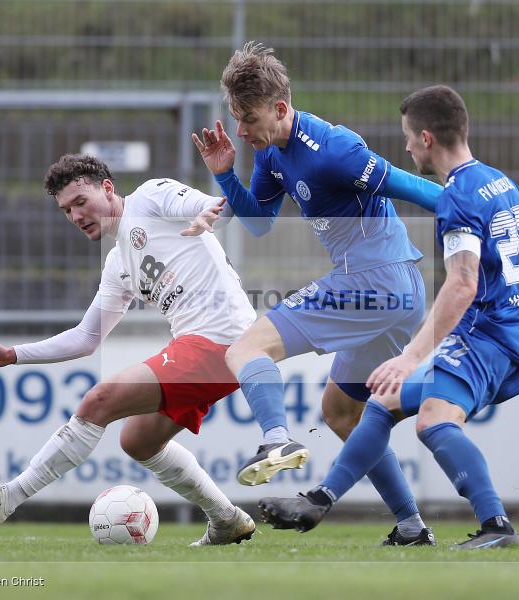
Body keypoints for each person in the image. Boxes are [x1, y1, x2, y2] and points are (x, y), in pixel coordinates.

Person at [258, 85, 519, 549]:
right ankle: (323, 500)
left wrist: (412, 356)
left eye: (407, 137)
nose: (404, 147)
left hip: (484, 340)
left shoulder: (459, 196)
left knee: (432, 421)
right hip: (506, 339)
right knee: (382, 404)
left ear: (426, 138)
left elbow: (463, 282)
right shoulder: (500, 183)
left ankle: (497, 527)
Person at [192, 42, 445, 546]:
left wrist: (510, 219)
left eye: (248, 118)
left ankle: (277, 441)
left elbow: (420, 190)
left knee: (245, 348)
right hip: (394, 291)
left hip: (374, 280)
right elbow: (260, 225)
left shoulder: (333, 148)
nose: (240, 130)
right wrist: (224, 171)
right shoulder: (271, 154)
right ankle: (412, 525)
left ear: (281, 109)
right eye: (236, 118)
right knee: (341, 412)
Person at [0, 153, 258, 546]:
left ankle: (8, 497)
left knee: (100, 399)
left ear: (108, 188)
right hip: (201, 346)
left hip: (222, 339)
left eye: (81, 202)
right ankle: (226, 520)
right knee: (138, 441)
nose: (76, 216)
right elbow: (86, 338)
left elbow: (215, 204)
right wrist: (13, 354)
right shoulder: (117, 265)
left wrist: (206, 213)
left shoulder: (151, 196)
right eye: (66, 211)